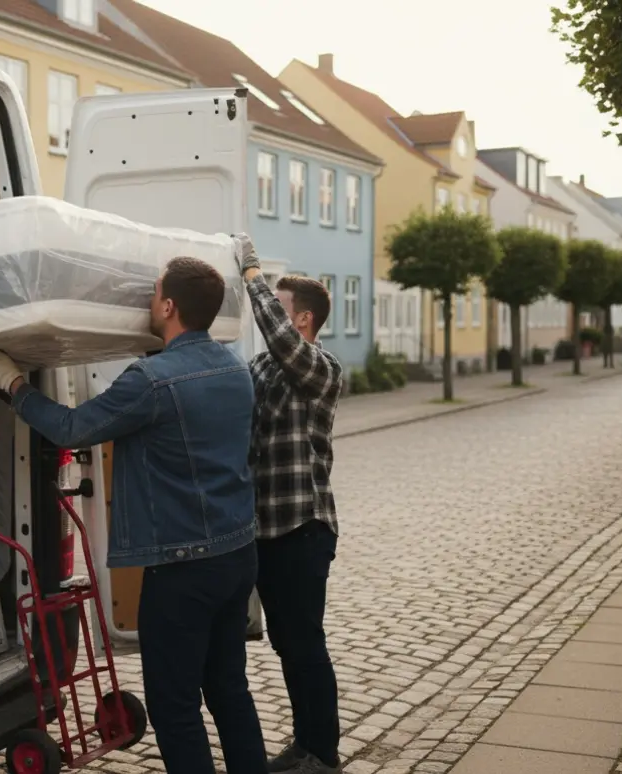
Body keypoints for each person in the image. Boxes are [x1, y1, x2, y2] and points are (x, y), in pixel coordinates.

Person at [0, 256, 266, 774]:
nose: (148, 301)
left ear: (168, 306)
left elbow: (73, 427)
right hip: (237, 555)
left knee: (174, 705)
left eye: (154, 294)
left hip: (183, 570)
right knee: (230, 689)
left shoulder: (151, 380)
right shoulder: (237, 369)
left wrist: (12, 383)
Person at [234, 237, 344, 774]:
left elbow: (277, 336)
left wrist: (252, 273)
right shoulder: (261, 368)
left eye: (279, 308)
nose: (270, 318)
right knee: (286, 645)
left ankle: (323, 754)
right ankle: (304, 744)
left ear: (301, 319)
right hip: (265, 530)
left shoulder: (320, 368)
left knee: (305, 644)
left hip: (304, 529)